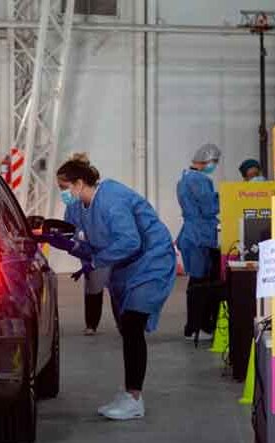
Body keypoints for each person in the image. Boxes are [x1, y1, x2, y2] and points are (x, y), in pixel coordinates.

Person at [43, 153, 176, 421]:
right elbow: (83, 238)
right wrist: (67, 244)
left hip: (151, 260)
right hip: (125, 267)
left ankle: (134, 398)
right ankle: (129, 392)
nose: (63, 194)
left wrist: (95, 260)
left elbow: (130, 242)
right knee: (126, 326)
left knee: (133, 323)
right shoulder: (77, 207)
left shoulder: (112, 199)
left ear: (80, 183)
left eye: (64, 188)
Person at [176, 143, 222, 343]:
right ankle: (196, 327)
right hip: (199, 235)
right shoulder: (199, 181)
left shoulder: (185, 179)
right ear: (209, 161)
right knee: (201, 284)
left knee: (197, 282)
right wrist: (224, 197)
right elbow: (209, 208)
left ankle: (194, 326)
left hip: (193, 234)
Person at [63, 161, 112, 336]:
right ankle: (91, 324)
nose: (64, 192)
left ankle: (124, 323)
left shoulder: (104, 201)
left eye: (65, 186)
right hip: (89, 251)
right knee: (93, 287)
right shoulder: (73, 204)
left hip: (108, 250)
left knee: (117, 289)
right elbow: (68, 227)